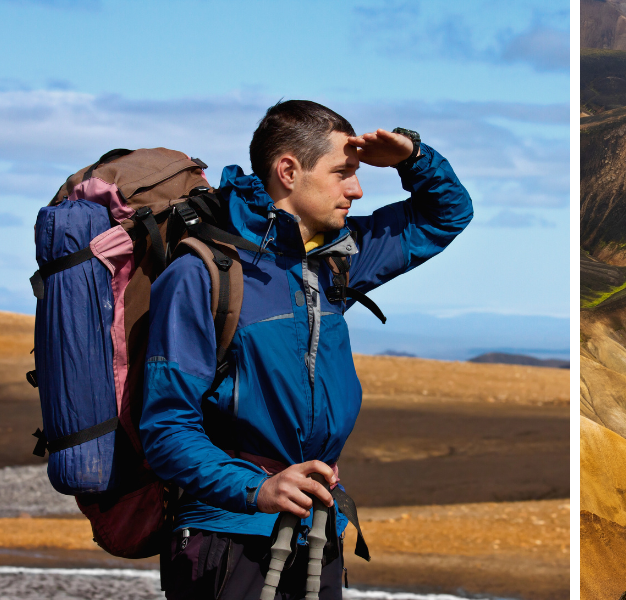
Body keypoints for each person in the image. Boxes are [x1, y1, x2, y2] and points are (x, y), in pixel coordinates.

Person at [139, 100, 473, 599]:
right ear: (289, 171)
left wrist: (413, 156)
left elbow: (445, 215)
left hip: (316, 529)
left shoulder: (335, 258)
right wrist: (256, 489)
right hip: (228, 538)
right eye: (343, 173)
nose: (356, 190)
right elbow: (166, 428)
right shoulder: (203, 274)